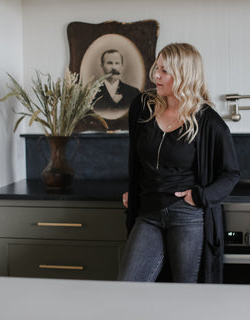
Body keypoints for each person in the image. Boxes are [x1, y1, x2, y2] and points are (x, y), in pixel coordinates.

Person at [117, 43, 240, 283]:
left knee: (185, 292)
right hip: (148, 212)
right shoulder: (143, 107)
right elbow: (137, 160)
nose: (156, 76)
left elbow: (231, 173)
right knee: (128, 285)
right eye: (157, 68)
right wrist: (133, 189)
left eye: (165, 71)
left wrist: (199, 197)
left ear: (184, 75)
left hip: (186, 215)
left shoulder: (209, 122)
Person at [94, 49, 140, 130]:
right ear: (102, 66)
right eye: (109, 63)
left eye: (117, 63)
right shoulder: (93, 93)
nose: (114, 67)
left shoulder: (133, 93)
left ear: (122, 66)